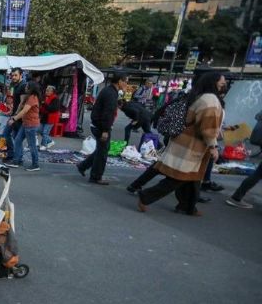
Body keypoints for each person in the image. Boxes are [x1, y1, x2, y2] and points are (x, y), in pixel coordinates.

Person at [136, 72, 225, 216]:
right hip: (192, 145)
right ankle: (146, 196)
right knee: (178, 178)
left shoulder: (201, 96)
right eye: (222, 82)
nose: (224, 84)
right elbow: (208, 128)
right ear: (213, 82)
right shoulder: (210, 100)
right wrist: (213, 146)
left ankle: (187, 206)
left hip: (186, 142)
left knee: (192, 178)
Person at [76, 73, 127, 185]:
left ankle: (82, 166)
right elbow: (107, 114)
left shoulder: (110, 91)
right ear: (119, 81)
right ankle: (95, 176)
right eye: (125, 81)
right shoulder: (110, 93)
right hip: (100, 126)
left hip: (98, 124)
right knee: (103, 152)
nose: (126, 84)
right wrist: (105, 130)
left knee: (101, 150)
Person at [5, 82, 42, 172]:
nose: (25, 87)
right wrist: (15, 115)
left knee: (32, 145)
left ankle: (35, 164)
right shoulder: (29, 97)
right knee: (17, 140)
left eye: (27, 86)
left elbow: (25, 111)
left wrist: (14, 119)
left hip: (31, 125)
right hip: (26, 124)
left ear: (31, 88)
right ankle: (16, 161)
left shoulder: (32, 97)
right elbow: (21, 107)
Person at [3, 68, 27, 161]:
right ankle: (15, 156)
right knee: (14, 136)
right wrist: (11, 111)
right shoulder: (16, 85)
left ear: (21, 75)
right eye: (12, 75)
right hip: (15, 115)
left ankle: (15, 156)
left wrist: (15, 116)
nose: (13, 77)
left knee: (11, 135)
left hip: (18, 117)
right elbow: (16, 102)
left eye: (15, 75)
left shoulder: (23, 85)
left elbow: (22, 103)